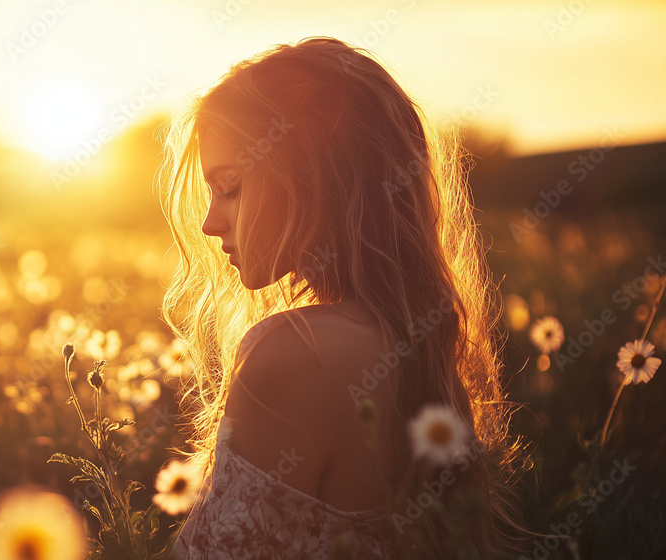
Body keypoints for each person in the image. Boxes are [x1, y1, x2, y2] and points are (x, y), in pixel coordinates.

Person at [155, 37, 532, 559]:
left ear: (313, 173)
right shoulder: (414, 344)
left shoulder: (295, 350)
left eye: (231, 185)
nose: (209, 222)